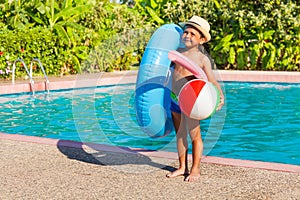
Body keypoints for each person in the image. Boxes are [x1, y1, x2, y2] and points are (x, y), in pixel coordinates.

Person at [166, 16, 224, 182]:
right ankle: (182, 167)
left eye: (192, 33)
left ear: (202, 39)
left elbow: (212, 81)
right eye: (186, 32)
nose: (187, 35)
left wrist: (219, 96)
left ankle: (195, 169)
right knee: (180, 135)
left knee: (195, 136)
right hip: (174, 99)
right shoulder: (176, 54)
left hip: (192, 101)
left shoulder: (202, 59)